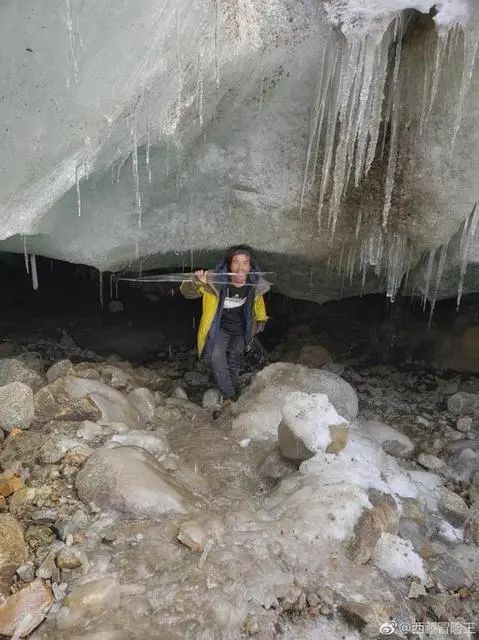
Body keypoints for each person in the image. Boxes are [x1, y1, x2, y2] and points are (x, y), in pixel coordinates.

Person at [180, 245, 270, 406]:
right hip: (218, 327)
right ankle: (229, 396)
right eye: (236, 262)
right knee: (216, 358)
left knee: (234, 359)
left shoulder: (254, 282)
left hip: (241, 328)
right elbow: (186, 293)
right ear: (229, 265)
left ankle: (233, 389)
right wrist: (197, 282)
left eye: (245, 263)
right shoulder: (216, 280)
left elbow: (258, 300)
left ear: (250, 266)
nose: (240, 267)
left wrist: (262, 317)